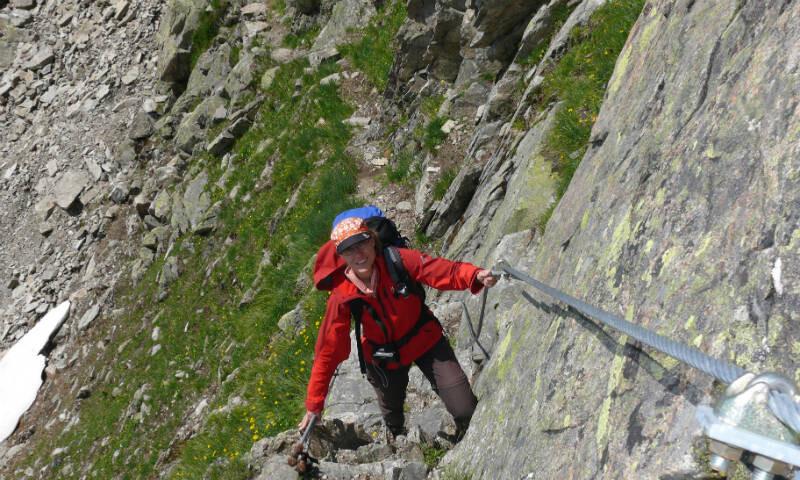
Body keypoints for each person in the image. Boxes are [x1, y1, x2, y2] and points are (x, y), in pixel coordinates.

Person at [298, 216, 498, 441]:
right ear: (341, 256)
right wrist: (314, 405)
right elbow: (328, 350)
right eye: (349, 250)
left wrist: (474, 275)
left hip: (424, 339)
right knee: (392, 414)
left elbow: (442, 271)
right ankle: (398, 439)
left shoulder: (397, 260)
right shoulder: (342, 296)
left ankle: (465, 438)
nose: (359, 254)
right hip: (383, 357)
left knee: (465, 409)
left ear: (372, 241)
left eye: (362, 243)